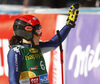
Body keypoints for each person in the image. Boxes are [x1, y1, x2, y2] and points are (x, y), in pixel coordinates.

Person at [7, 3, 79, 84]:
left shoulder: (37, 47)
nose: (40, 35)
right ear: (27, 32)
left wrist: (69, 24)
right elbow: (13, 80)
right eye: (38, 31)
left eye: (40, 30)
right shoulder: (17, 51)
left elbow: (54, 43)